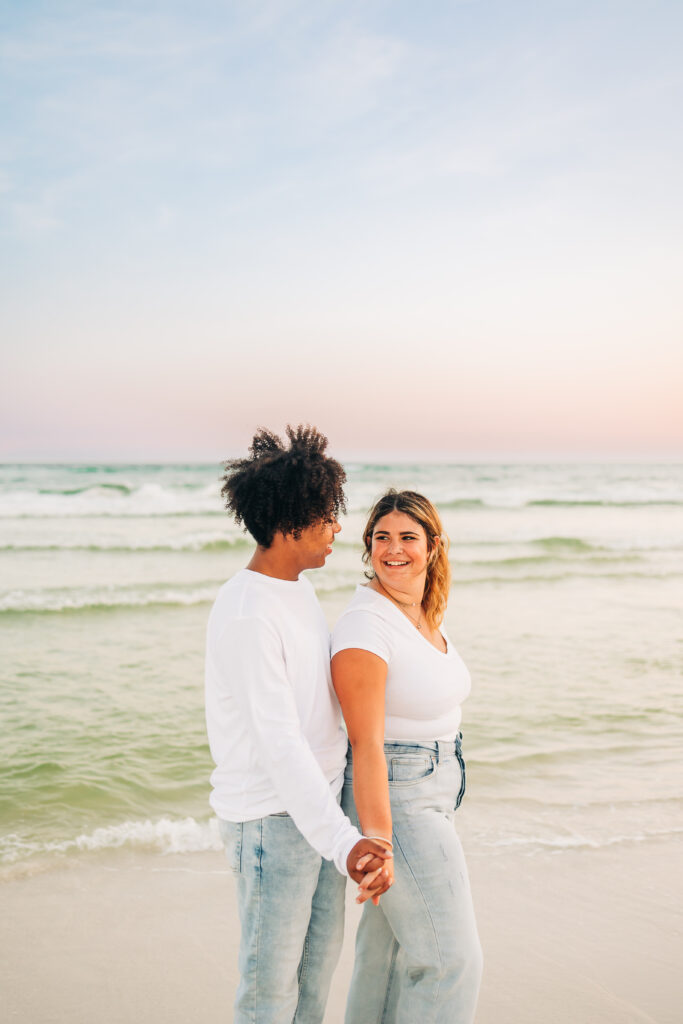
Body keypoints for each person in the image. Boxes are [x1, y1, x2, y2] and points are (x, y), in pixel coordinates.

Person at [205, 424, 392, 1024]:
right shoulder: (248, 613)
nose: (339, 528)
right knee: (269, 995)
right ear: (292, 519)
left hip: (315, 817)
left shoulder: (295, 592)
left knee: (311, 985)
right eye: (328, 515)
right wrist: (344, 842)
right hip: (271, 823)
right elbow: (280, 745)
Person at [331, 489, 483, 1024]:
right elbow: (365, 744)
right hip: (399, 801)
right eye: (381, 537)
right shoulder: (364, 627)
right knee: (451, 962)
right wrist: (379, 842)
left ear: (434, 546)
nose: (393, 550)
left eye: (408, 537)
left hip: (434, 791)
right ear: (368, 546)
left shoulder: (420, 613)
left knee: (389, 957)